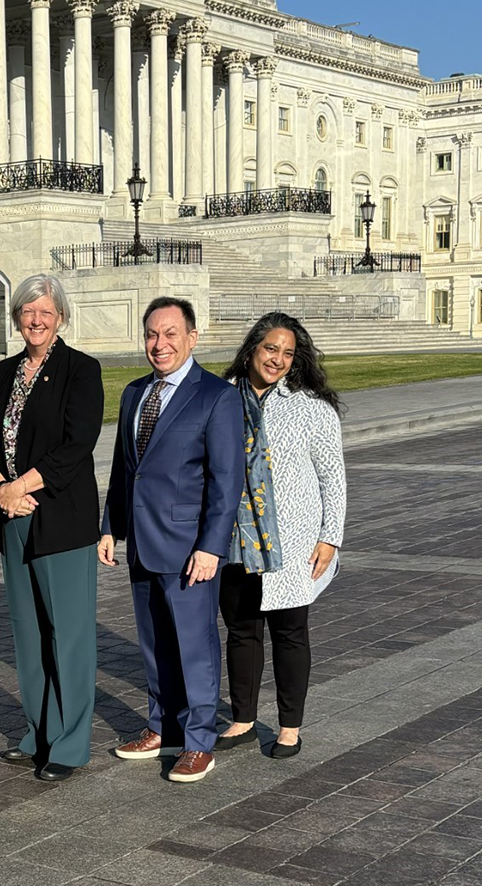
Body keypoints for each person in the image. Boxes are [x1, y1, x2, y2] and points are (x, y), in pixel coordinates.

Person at [99, 296, 244, 784]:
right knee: (154, 643)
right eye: (151, 335)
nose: (159, 345)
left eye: (170, 334)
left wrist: (211, 546)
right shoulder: (134, 392)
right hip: (141, 542)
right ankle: (161, 727)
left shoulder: (217, 397)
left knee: (194, 646)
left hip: (189, 550)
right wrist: (110, 526)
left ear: (192, 338)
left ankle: (200, 740)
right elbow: (126, 471)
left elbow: (227, 481)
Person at [0, 275, 104, 782]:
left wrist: (21, 484)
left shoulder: (80, 370)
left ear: (61, 317)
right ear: (16, 318)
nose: (35, 320)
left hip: (60, 520)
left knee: (68, 634)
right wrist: (0, 486)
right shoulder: (3, 373)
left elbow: (77, 444)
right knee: (28, 633)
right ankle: (39, 733)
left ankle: (69, 745)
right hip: (13, 518)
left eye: (45, 312)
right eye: (27, 312)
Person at [216, 312, 347, 759]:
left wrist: (331, 537)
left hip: (292, 540)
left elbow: (333, 477)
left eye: (288, 353)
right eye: (271, 348)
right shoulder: (221, 398)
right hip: (235, 538)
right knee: (241, 629)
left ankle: (290, 726)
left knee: (290, 631)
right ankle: (243, 719)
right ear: (253, 347)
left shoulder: (311, 406)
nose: (278, 359)